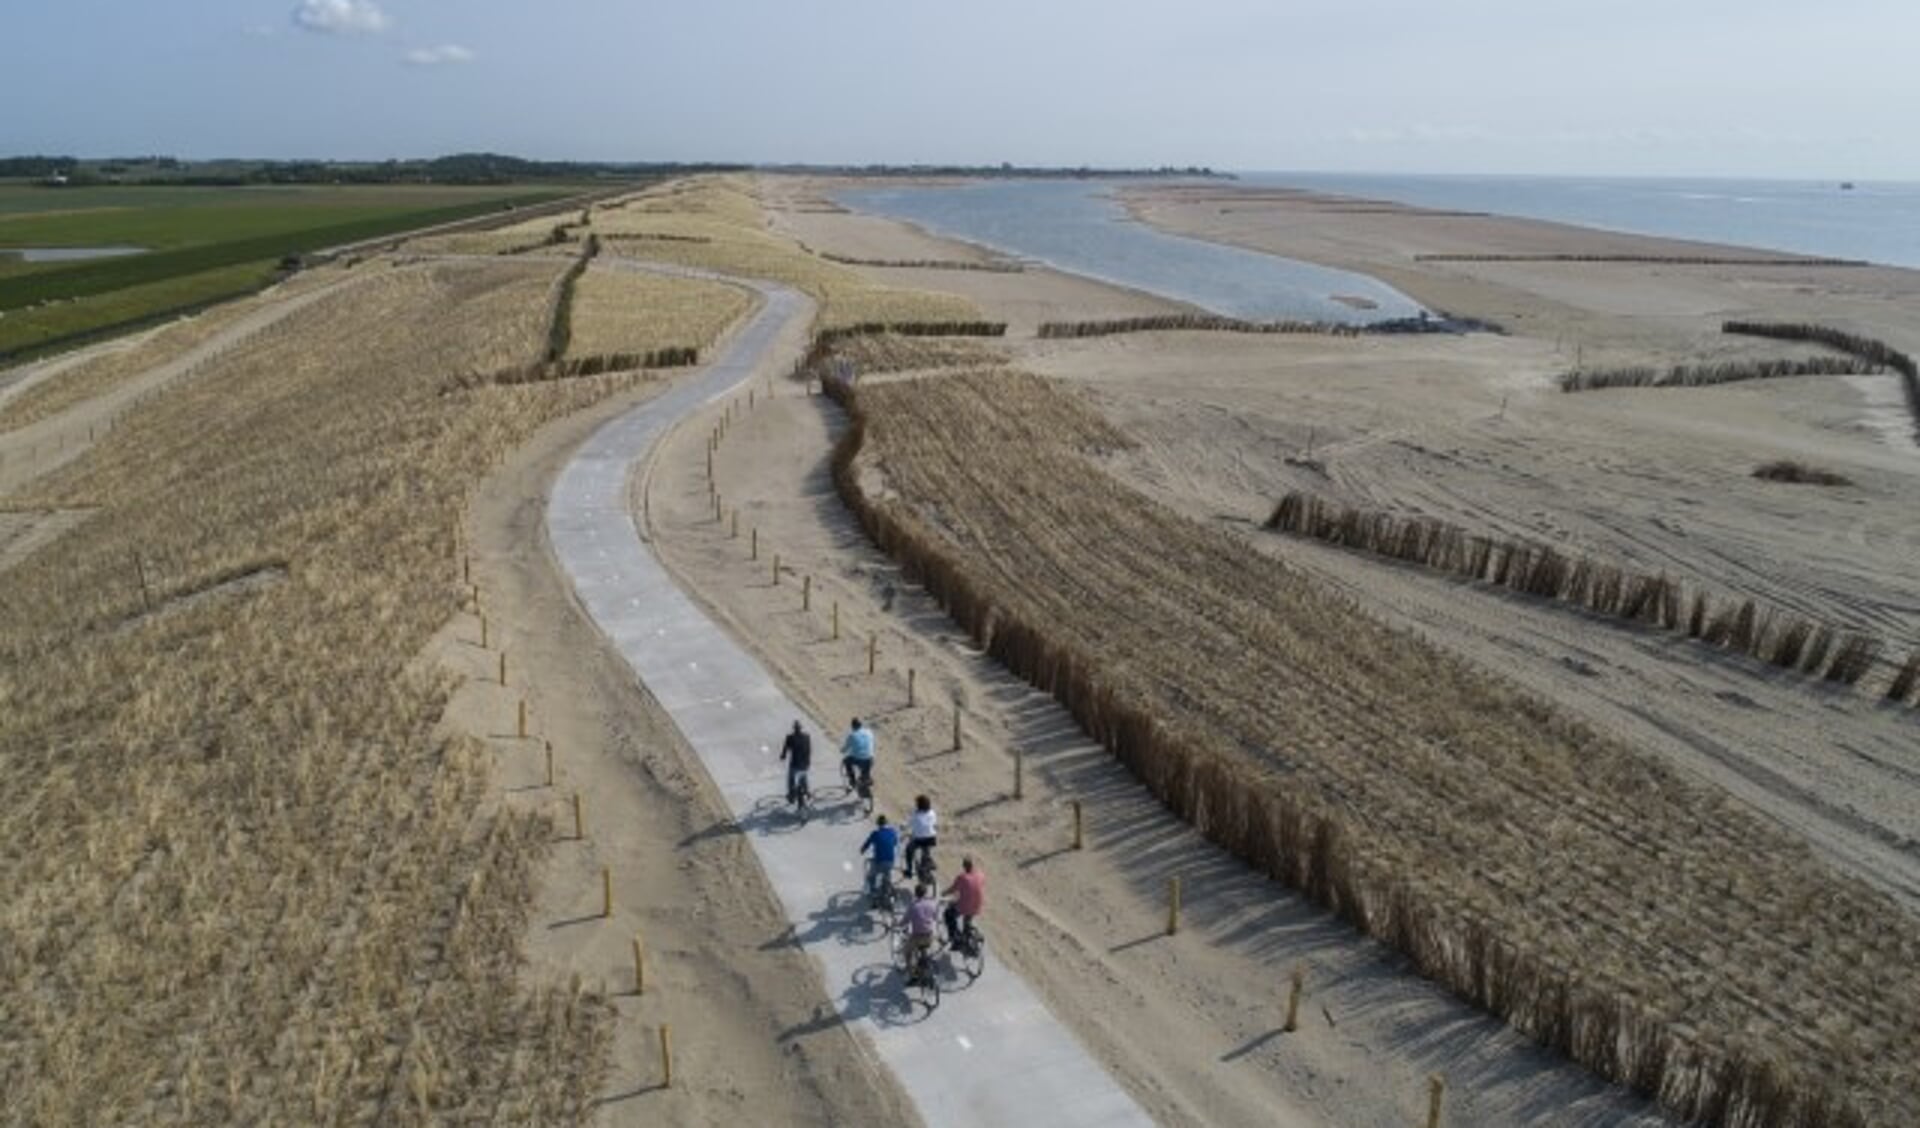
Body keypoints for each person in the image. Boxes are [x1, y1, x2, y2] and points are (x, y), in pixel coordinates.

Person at [943, 856, 985, 950]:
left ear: (964, 867)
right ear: (973, 865)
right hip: (978, 905)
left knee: (948, 914)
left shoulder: (962, 877)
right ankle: (968, 936)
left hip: (965, 906)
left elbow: (953, 889)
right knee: (967, 919)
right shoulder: (981, 875)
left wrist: (944, 893)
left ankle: (955, 939)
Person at [859, 814, 899, 903]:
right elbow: (895, 843)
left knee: (871, 876)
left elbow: (867, 844)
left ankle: (874, 896)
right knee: (887, 875)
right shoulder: (892, 832)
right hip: (890, 861)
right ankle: (888, 890)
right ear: (887, 823)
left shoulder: (875, 834)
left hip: (879, 861)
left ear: (878, 824)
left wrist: (862, 850)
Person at [904, 882, 939, 981]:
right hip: (929, 936)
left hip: (917, 937)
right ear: (926, 893)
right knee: (925, 949)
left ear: (915, 894)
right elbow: (936, 918)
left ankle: (912, 975)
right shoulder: (932, 904)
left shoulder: (913, 906)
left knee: (907, 953)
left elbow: (905, 920)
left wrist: (897, 925)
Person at [902, 794, 938, 880]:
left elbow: (910, 823)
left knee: (909, 850)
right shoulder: (932, 812)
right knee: (925, 853)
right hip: (931, 838)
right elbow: (933, 824)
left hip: (919, 839)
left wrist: (903, 826)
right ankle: (926, 866)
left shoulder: (916, 814)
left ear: (919, 805)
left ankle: (909, 871)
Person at [779, 719, 811, 809]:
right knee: (804, 777)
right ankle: (808, 792)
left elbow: (785, 750)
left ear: (794, 729)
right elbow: (809, 750)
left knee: (790, 779)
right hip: (805, 764)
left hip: (795, 764)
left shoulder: (790, 738)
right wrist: (808, 762)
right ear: (801, 728)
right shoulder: (807, 737)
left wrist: (783, 756)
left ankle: (791, 796)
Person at [840, 717, 875, 792]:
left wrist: (842, 750)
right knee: (865, 770)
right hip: (870, 758)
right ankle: (866, 778)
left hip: (858, 759)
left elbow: (846, 748)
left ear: (853, 726)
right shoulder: (869, 732)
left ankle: (852, 782)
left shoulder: (852, 735)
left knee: (847, 762)